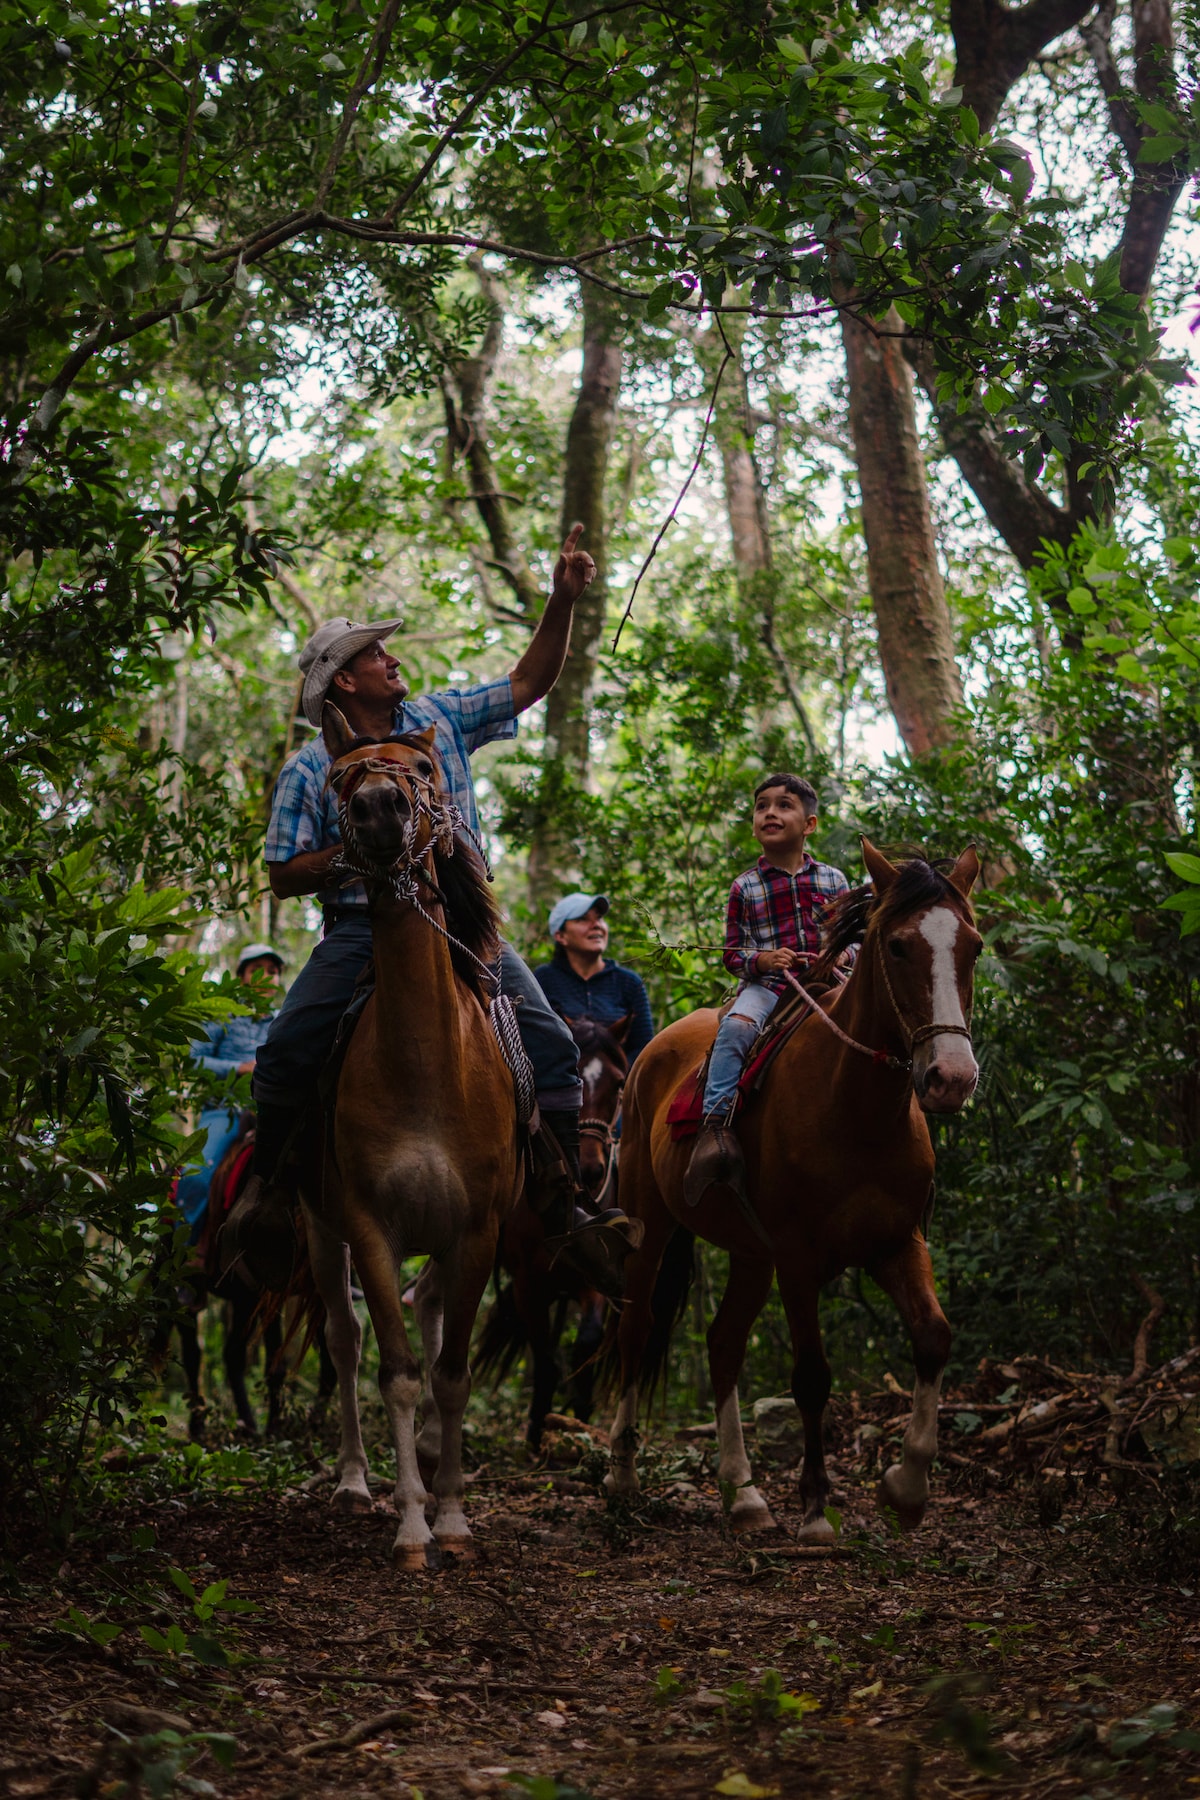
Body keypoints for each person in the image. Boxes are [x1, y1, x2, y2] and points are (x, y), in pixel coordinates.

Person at [230, 525, 635, 1291]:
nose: (389, 658)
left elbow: (529, 682)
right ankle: (271, 1196)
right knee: (287, 1047)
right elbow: (284, 874)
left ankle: (559, 1202)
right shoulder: (310, 766)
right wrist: (364, 853)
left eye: (384, 650)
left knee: (549, 1040)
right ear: (343, 682)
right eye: (372, 655)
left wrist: (562, 600)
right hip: (361, 929)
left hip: (460, 927)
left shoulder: (443, 719)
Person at [684, 773, 851, 1204]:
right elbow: (733, 953)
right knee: (737, 1028)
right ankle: (715, 1127)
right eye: (762, 806)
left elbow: (856, 939)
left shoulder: (833, 880)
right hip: (769, 986)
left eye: (783, 805)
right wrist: (763, 960)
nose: (770, 813)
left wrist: (841, 957)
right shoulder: (745, 886)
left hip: (827, 980)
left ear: (809, 824)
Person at [175, 944, 284, 1235]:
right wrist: (238, 1069)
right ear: (242, 976)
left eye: (273, 972)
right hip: (225, 1112)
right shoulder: (220, 1014)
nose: (267, 976)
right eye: (257, 969)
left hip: (275, 1113)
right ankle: (181, 1256)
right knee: (198, 1176)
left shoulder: (286, 1021)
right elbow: (192, 1063)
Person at [534, 893, 655, 1063]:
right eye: (583, 919)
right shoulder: (542, 980)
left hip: (620, 1085)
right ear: (560, 936)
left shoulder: (629, 983)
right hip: (560, 1084)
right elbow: (534, 1042)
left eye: (599, 918)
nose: (596, 925)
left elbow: (643, 1048)